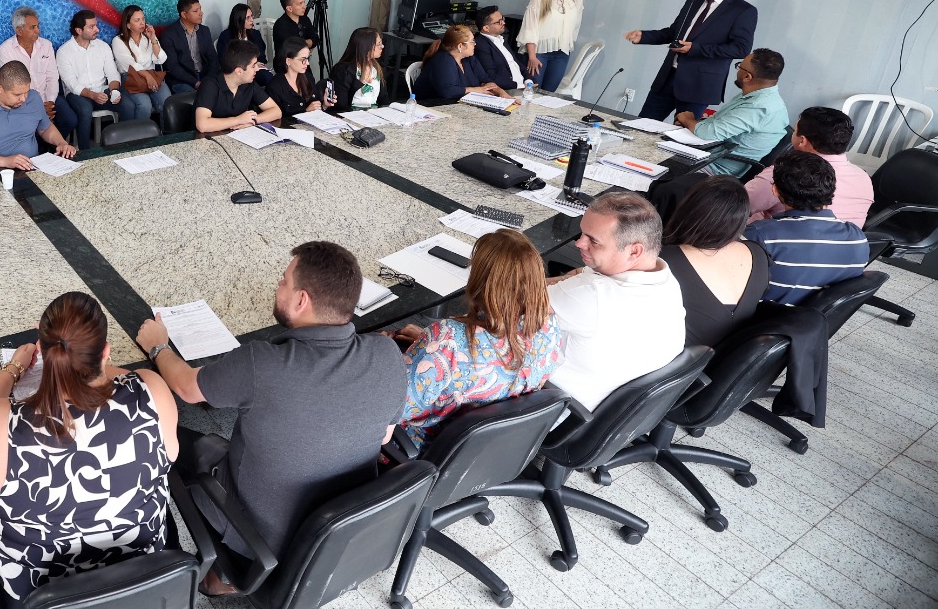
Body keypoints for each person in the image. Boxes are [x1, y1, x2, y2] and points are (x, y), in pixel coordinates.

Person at [135, 242, 406, 582]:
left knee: (166, 437)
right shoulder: (386, 353)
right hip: (340, 538)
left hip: (263, 541)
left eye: (283, 281)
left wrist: (158, 345)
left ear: (301, 300)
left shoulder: (262, 363)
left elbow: (187, 389)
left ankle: (216, 573)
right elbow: (383, 436)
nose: (278, 286)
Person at [0, 292, 178, 609]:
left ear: (45, 354)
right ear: (105, 352)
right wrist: (90, 363)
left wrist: (14, 368)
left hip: (40, 600)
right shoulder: (152, 390)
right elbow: (168, 448)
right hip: (142, 578)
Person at [388, 230, 564, 450]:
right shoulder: (549, 328)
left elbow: (391, 411)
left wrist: (433, 344)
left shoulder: (448, 341)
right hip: (488, 451)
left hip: (422, 451)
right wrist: (431, 344)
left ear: (480, 280)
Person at [546, 192, 686, 412]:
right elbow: (581, 274)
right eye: (582, 233)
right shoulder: (665, 278)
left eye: (593, 240)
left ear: (634, 251)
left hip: (553, 407)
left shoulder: (593, 296)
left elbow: (510, 300)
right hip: (606, 405)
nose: (579, 243)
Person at [627, 0, 758, 122]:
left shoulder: (743, 10)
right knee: (641, 125)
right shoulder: (693, 1)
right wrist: (644, 36)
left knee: (682, 134)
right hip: (667, 78)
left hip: (698, 86)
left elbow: (741, 49)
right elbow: (674, 32)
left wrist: (694, 48)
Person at [747, 153, 870, 307]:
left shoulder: (760, 235)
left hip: (760, 318)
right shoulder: (857, 237)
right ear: (831, 189)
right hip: (814, 319)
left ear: (776, 190)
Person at [660, 176, 770, 347]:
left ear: (689, 210)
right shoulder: (758, 254)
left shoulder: (663, 260)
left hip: (676, 357)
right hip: (731, 356)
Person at [747, 106, 872, 227]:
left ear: (802, 140)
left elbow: (738, 205)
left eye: (794, 131)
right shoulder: (864, 179)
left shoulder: (783, 173)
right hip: (844, 242)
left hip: (767, 238)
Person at [675, 49, 789, 176]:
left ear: (747, 77)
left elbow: (708, 133)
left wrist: (687, 119)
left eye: (739, 66)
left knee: (657, 161)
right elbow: (719, 123)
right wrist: (695, 124)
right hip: (708, 153)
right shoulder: (760, 97)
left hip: (714, 168)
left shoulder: (757, 107)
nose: (737, 70)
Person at [0, 62, 79, 171]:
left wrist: (61, 143)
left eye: (26, 92)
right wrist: (5, 161)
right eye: (17, 94)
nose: (24, 99)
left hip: (32, 166)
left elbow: (45, 128)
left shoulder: (33, 97)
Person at [0, 8, 75, 149]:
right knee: (33, 126)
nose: (38, 31)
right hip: (23, 101)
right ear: (19, 30)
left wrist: (50, 101)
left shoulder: (46, 45)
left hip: (48, 97)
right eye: (33, 27)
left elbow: (52, 76)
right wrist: (37, 105)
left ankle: (51, 149)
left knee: (70, 120)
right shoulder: (6, 49)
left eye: (38, 26)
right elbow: (12, 84)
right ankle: (42, 151)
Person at [55, 9, 131, 136]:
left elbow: (112, 73)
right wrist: (92, 95)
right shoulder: (64, 52)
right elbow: (71, 83)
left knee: (128, 105)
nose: (97, 29)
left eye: (96, 25)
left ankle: (125, 143)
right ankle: (84, 148)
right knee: (85, 110)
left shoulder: (103, 46)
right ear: (79, 30)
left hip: (102, 90)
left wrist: (114, 91)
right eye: (91, 27)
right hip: (78, 94)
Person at [518, 0, 584, 88]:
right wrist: (532, 56)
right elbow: (530, 29)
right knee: (533, 91)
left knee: (549, 93)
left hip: (562, 53)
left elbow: (576, 25)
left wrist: (567, 42)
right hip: (539, 53)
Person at [194, 40, 282, 133]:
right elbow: (202, 125)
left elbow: (276, 111)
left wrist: (253, 120)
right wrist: (238, 120)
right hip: (206, 139)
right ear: (239, 71)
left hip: (237, 136)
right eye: (253, 66)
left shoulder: (249, 83)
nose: (257, 69)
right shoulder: (210, 85)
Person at [413, 25, 506, 106]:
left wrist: (501, 92)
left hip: (458, 105)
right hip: (434, 106)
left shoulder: (469, 58)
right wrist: (475, 90)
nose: (475, 44)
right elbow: (448, 91)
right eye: (472, 42)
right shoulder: (443, 61)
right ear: (460, 46)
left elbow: (485, 80)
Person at [111, 4, 173, 117]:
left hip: (152, 74)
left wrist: (153, 39)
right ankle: (141, 129)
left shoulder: (148, 37)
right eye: (137, 20)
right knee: (144, 105)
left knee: (167, 102)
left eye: (143, 19)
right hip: (131, 77)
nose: (142, 23)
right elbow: (130, 64)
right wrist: (148, 77)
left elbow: (161, 59)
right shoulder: (118, 40)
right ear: (128, 25)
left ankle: (165, 129)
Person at [328, 27, 407, 112]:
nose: (382, 46)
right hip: (351, 115)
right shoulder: (343, 70)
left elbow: (384, 100)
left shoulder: (377, 67)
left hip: (373, 115)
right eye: (378, 44)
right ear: (366, 47)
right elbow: (340, 106)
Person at [161, 0, 217, 94]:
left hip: (204, 76)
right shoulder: (169, 34)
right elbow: (172, 66)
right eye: (195, 11)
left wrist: (208, 80)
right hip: (182, 79)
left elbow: (213, 58)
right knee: (196, 97)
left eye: (200, 9)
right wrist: (196, 83)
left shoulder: (204, 31)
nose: (201, 13)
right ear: (184, 14)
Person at [467, 6, 526, 93]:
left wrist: (529, 81)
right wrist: (520, 86)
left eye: (503, 19)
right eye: (499, 22)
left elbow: (516, 63)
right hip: (508, 90)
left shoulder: (501, 39)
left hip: (524, 87)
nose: (504, 23)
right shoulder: (481, 45)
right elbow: (491, 76)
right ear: (486, 28)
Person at [266, 38, 324, 119]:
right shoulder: (275, 86)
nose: (307, 63)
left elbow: (316, 107)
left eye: (308, 58)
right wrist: (306, 112)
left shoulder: (308, 77)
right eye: (303, 60)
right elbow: (277, 119)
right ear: (288, 61)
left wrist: (324, 105)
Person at [215, 3, 270, 83]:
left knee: (267, 77)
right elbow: (224, 60)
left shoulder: (255, 34)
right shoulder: (226, 36)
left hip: (254, 68)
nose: (252, 20)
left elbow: (261, 55)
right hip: (236, 70)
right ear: (239, 19)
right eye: (248, 18)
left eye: (252, 16)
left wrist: (255, 64)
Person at [271, 0, 315, 73]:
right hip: (285, 65)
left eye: (304, 2)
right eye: (300, 4)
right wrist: (307, 44)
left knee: (309, 80)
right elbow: (293, 47)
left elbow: (315, 39)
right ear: (289, 8)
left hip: (302, 62)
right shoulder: (281, 24)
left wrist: (304, 44)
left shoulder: (305, 19)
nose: (304, 6)